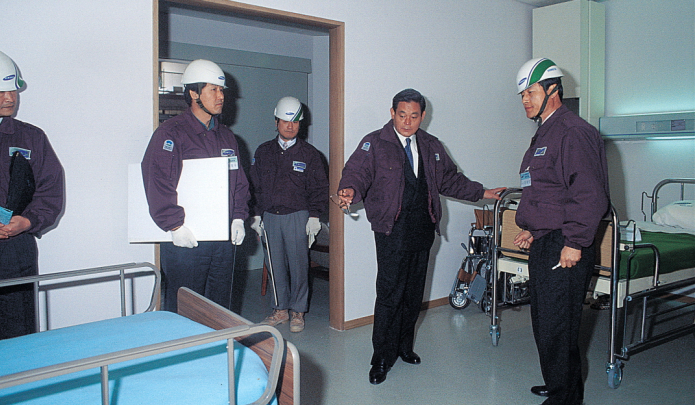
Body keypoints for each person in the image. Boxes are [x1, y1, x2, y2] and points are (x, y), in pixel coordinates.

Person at [336, 88, 505, 385]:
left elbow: (451, 179)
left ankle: (404, 347)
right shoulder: (374, 142)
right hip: (391, 229)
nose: (407, 121)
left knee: (413, 294)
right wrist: (349, 190)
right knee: (390, 294)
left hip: (423, 227)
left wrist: (483, 192)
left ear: (422, 117)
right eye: (402, 115)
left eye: (414, 116)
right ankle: (381, 357)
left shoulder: (431, 145)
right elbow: (357, 173)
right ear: (392, 113)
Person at [512, 58, 609, 405]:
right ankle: (559, 384)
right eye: (522, 94)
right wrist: (534, 230)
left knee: (558, 328)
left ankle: (564, 398)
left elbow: (588, 194)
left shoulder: (573, 132)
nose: (525, 100)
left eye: (532, 92)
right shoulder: (546, 133)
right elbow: (549, 193)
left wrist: (575, 242)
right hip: (549, 242)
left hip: (566, 246)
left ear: (553, 90)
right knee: (546, 325)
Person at [142, 59, 250, 313]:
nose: (221, 96)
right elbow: (157, 180)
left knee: (220, 307)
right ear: (193, 93)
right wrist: (174, 225)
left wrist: (238, 217)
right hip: (186, 239)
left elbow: (239, 182)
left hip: (222, 240)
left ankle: (219, 351)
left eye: (222, 90)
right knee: (185, 309)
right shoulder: (171, 133)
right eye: (213, 89)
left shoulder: (226, 136)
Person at [0, 48, 64, 339]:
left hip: (15, 249)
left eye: (13, 90)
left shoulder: (31, 137)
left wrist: (29, 221)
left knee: (18, 331)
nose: (10, 98)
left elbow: (51, 189)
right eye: (0, 91)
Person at [250, 96, 329, 333]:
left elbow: (320, 188)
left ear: (300, 124)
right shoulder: (263, 152)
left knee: (298, 266)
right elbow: (254, 186)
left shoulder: (310, 155)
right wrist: (255, 216)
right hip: (270, 216)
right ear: (276, 122)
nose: (290, 126)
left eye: (295, 122)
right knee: (274, 265)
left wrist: (314, 217)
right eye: (285, 121)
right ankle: (280, 309)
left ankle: (298, 311)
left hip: (298, 216)